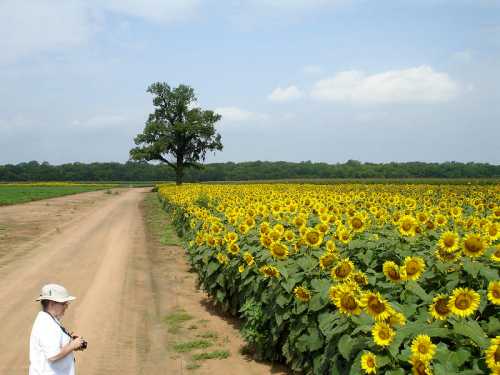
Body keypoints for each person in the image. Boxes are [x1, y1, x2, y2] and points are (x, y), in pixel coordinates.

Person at [29, 284, 86, 375]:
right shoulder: (47, 324)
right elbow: (52, 355)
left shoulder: (49, 319)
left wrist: (70, 343)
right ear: (52, 304)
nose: (66, 307)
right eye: (64, 304)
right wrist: (72, 345)